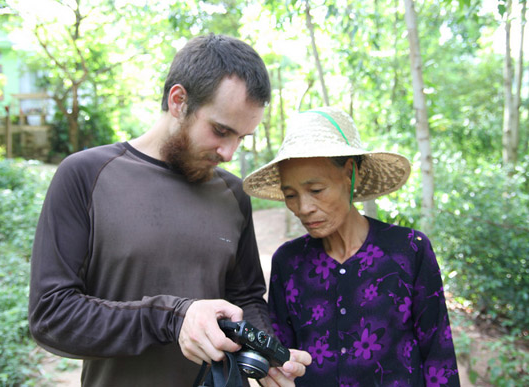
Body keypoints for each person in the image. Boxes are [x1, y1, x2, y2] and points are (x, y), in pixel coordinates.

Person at [28, 34, 311, 387]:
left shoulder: (232, 193)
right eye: (221, 130)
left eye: (242, 138)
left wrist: (268, 352)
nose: (229, 152)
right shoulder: (86, 175)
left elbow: (246, 297)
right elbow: (51, 317)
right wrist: (173, 317)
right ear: (178, 101)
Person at [243, 106, 460, 386]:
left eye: (316, 190)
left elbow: (438, 354)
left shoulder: (409, 250)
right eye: (290, 195)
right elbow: (284, 356)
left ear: (349, 172)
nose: (303, 208)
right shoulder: (288, 262)